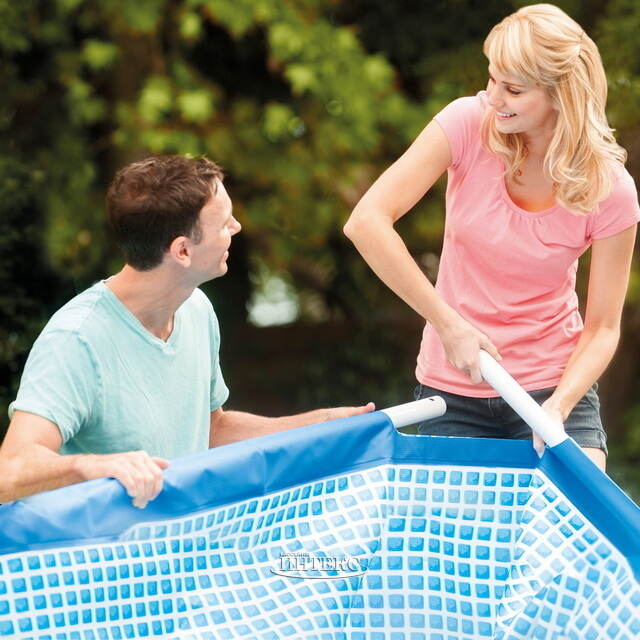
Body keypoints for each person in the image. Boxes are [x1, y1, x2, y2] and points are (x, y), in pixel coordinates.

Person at [343, 3, 639, 470]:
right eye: (492, 78)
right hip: (454, 390)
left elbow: (603, 327)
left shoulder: (610, 189)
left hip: (552, 388)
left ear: (561, 94)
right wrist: (448, 324)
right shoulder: (467, 122)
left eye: (513, 89)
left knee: (575, 511)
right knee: (455, 520)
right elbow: (366, 222)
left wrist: (558, 407)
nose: (492, 95)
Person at [0, 155, 373, 508]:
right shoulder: (75, 339)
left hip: (181, 544)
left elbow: (210, 430)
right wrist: (93, 466)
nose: (236, 227)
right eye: (224, 223)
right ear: (182, 251)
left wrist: (315, 426)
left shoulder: (196, 308)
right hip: (103, 550)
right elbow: (9, 471)